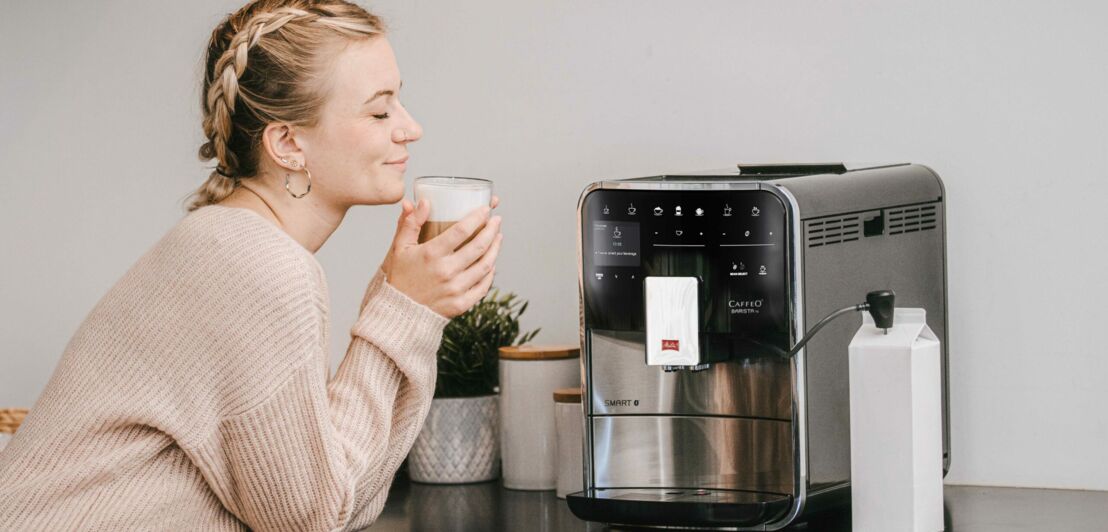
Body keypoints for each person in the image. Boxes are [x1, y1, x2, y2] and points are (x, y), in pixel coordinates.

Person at [0, 1, 502, 529]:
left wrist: (402, 304)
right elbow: (310, 520)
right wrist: (404, 311)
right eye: (380, 111)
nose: (411, 128)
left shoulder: (234, 244)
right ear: (287, 143)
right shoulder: (257, 265)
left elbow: (335, 496)